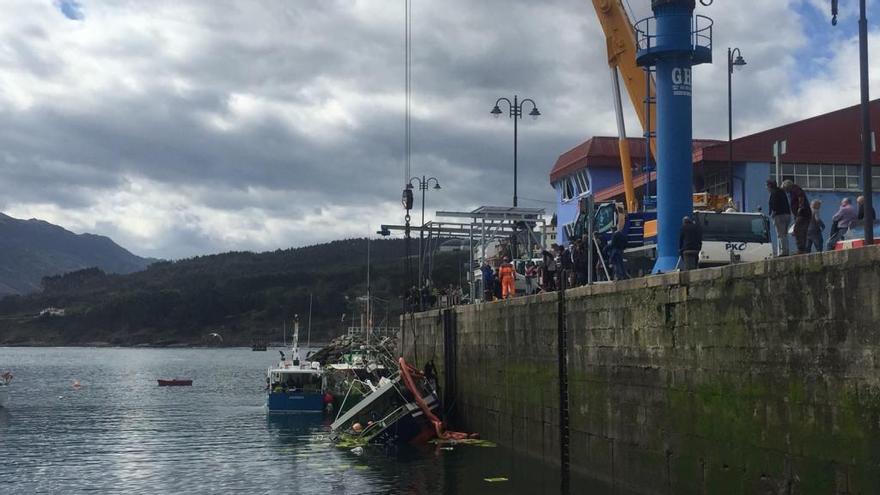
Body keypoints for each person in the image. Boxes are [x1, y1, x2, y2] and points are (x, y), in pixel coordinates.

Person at [782, 179, 810, 254]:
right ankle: (802, 249)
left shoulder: (795, 188)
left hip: (802, 213)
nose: (785, 191)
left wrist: (800, 208)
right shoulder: (792, 191)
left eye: (785, 189)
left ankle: (801, 249)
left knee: (798, 230)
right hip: (801, 214)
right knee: (801, 230)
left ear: (788, 187)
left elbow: (800, 197)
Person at [767, 179, 791, 256]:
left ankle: (783, 252)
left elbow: (774, 204)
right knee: (784, 234)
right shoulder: (782, 192)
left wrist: (773, 214)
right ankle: (785, 250)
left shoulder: (774, 193)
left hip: (779, 215)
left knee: (780, 234)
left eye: (766, 186)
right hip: (787, 214)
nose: (766, 188)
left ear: (770, 186)